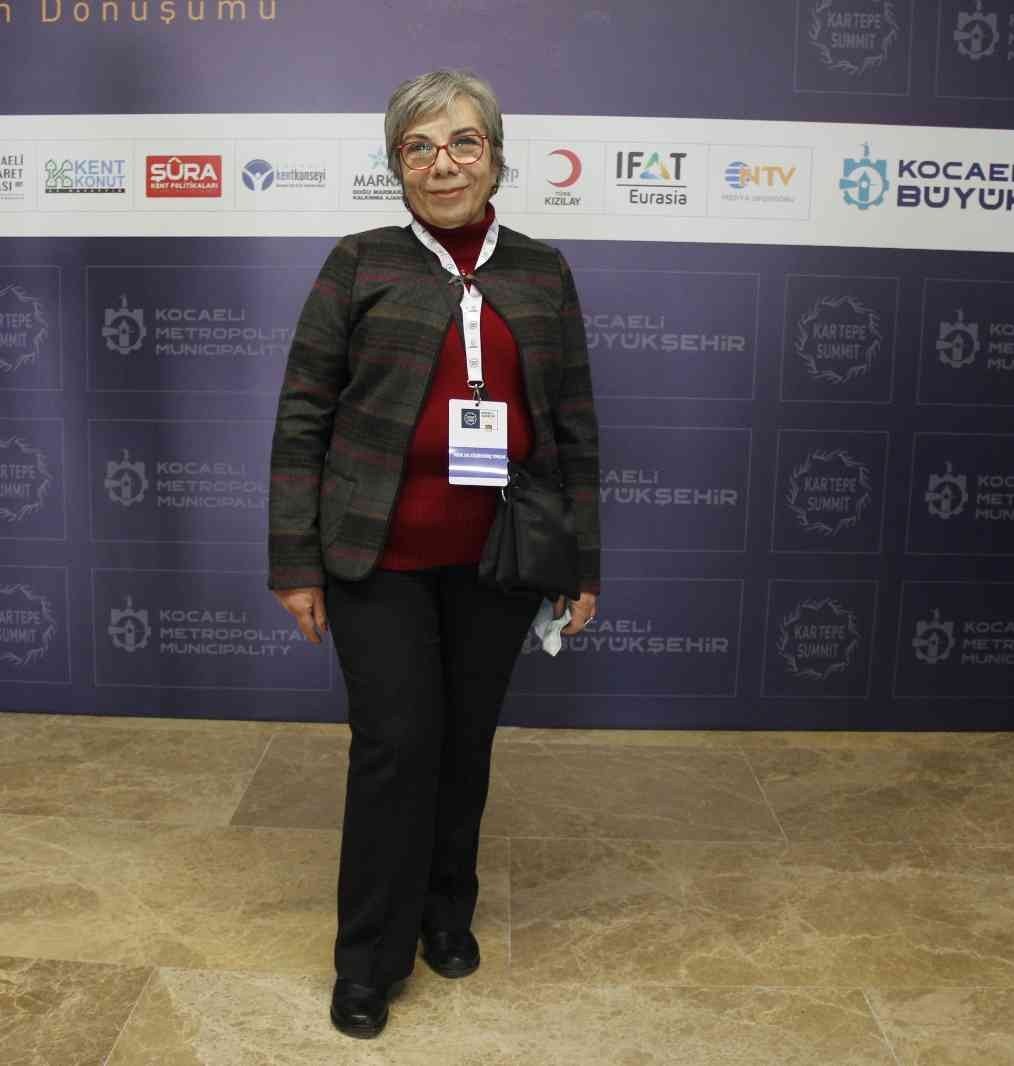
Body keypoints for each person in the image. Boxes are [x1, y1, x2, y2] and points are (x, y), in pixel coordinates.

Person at [267, 69, 601, 1039]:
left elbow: (575, 427)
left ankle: (445, 912)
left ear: (494, 158)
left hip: (499, 558)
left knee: (465, 743)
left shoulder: (542, 272)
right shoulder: (357, 264)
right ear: (396, 165)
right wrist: (295, 561)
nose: (442, 162)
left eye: (462, 142)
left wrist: (580, 563)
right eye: (419, 146)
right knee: (395, 747)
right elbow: (301, 419)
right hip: (376, 557)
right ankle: (368, 958)